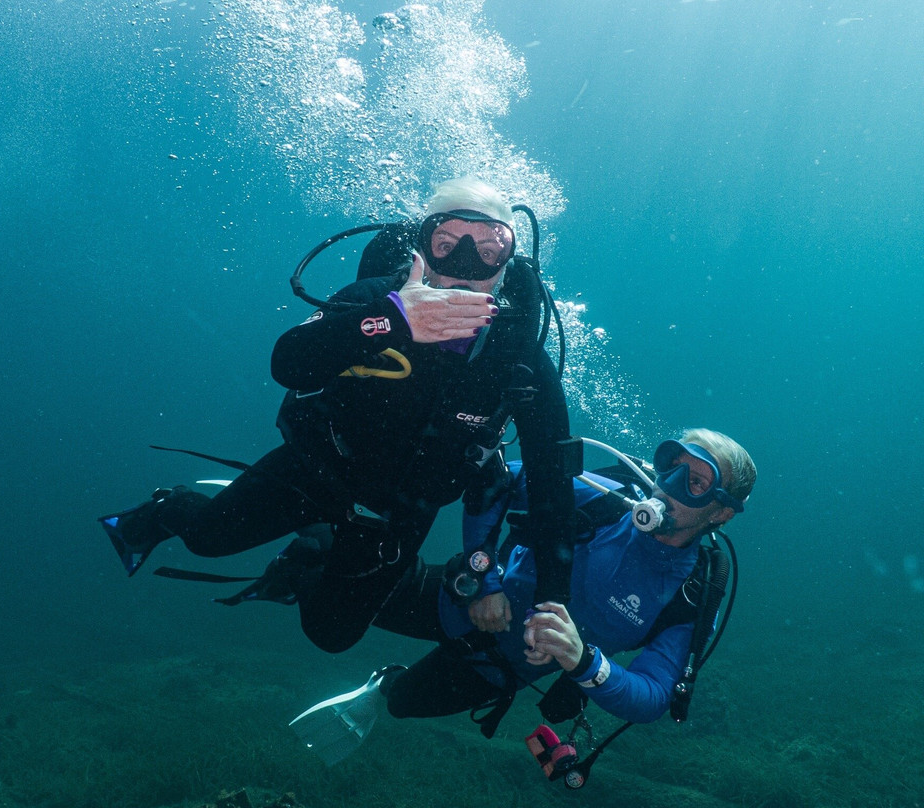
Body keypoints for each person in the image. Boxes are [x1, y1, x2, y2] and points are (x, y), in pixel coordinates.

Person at [99, 177, 581, 654]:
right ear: (422, 250)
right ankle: (166, 508)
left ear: (505, 268)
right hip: (317, 469)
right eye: (446, 245)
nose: (464, 267)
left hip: (398, 514)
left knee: (331, 636)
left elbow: (550, 480)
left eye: (488, 251)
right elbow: (288, 362)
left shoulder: (520, 359)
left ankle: (304, 557)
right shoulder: (378, 299)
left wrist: (552, 599)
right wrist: (394, 320)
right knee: (206, 539)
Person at [290, 429, 756, 765]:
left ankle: (382, 684)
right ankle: (282, 547)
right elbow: (496, 481)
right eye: (672, 466)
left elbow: (653, 696)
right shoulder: (605, 497)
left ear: (721, 512)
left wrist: (583, 662)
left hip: (496, 670)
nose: (669, 485)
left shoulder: (693, 592)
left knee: (403, 703)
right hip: (459, 602)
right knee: (318, 568)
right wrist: (484, 579)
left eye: (696, 482)